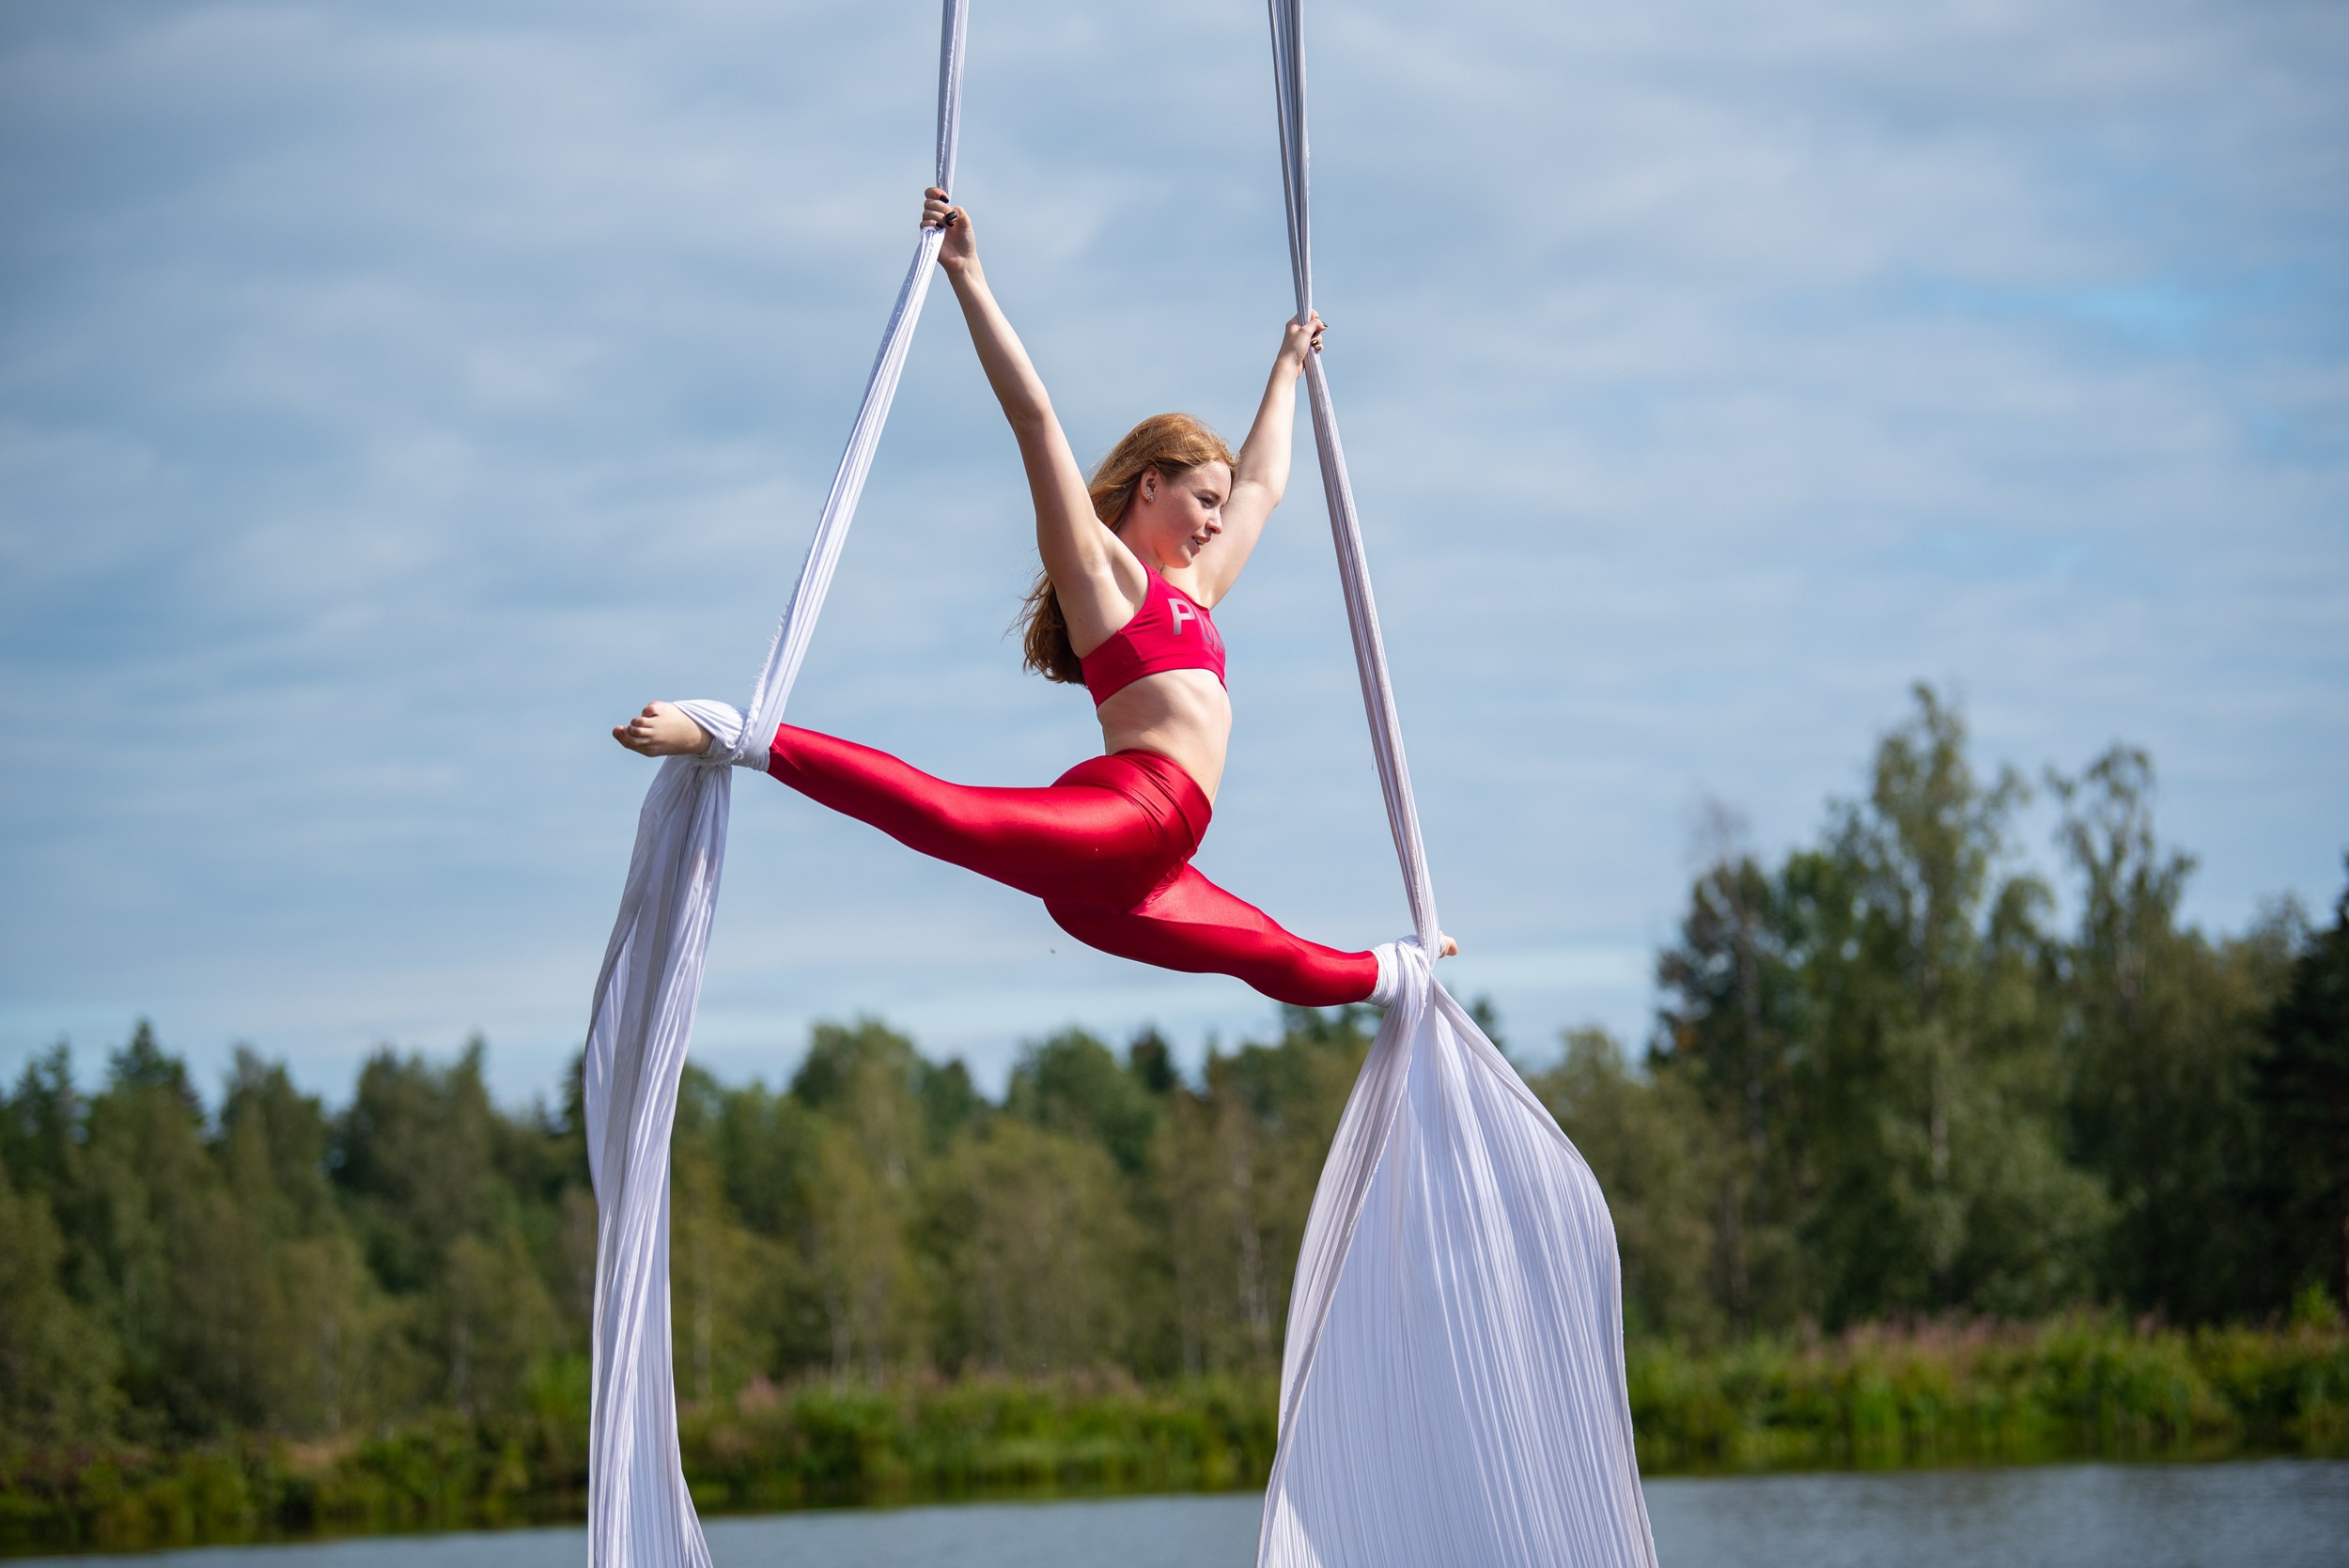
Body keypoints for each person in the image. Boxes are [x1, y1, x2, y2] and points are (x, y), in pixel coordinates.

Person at [615, 188, 1451, 1005]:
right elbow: (1034, 418)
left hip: (1139, 871)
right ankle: (730, 735)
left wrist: (1287, 367)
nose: (1215, 523)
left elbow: (1265, 484)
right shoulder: (1102, 576)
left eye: (1218, 510)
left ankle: (1406, 969)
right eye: (1203, 501)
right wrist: (968, 275)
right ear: (1151, 485)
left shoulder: (1196, 585)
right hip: (1129, 822)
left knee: (1283, 963)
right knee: (946, 814)